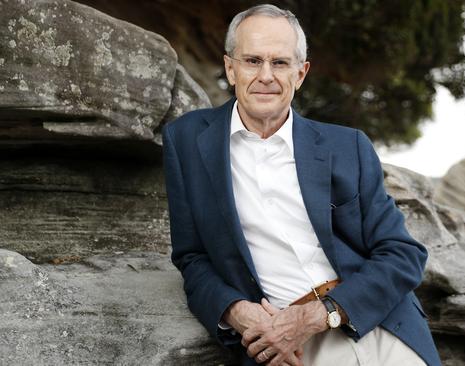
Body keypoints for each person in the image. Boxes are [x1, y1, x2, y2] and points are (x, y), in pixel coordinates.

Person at [162, 4, 441, 366]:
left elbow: (403, 254)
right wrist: (237, 312)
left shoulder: (348, 146)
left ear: (301, 73)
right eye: (252, 61)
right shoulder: (186, 140)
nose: (266, 76)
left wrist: (319, 315)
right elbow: (192, 257)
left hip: (377, 324)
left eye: (280, 63)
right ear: (231, 68)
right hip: (287, 347)